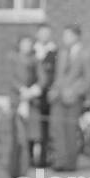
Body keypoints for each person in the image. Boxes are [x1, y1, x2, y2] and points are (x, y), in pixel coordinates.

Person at [49, 23, 90, 171]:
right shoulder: (61, 53)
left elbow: (89, 79)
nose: (64, 38)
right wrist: (54, 89)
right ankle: (59, 161)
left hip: (73, 99)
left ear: (76, 36)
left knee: (70, 130)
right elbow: (58, 75)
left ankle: (70, 163)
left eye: (68, 35)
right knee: (57, 129)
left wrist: (75, 91)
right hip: (58, 97)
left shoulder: (85, 54)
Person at [8, 35, 37, 178]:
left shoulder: (34, 61)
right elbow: (11, 77)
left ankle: (22, 170)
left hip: (30, 102)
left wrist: (33, 90)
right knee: (17, 138)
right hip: (17, 101)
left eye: (29, 44)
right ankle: (15, 169)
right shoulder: (13, 59)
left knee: (25, 138)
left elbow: (40, 77)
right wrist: (21, 90)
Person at [31, 23, 58, 167]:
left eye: (47, 33)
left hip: (46, 94)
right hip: (30, 93)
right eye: (42, 33)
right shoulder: (31, 51)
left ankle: (43, 158)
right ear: (37, 34)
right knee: (30, 125)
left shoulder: (55, 52)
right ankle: (28, 156)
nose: (45, 36)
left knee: (44, 126)